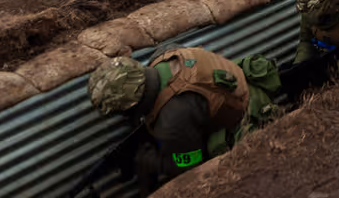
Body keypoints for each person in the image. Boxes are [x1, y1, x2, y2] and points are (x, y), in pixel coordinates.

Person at [87, 48, 282, 194]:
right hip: (236, 88)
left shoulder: (172, 121)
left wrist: (150, 161)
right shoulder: (164, 55)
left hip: (249, 114)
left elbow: (190, 167)